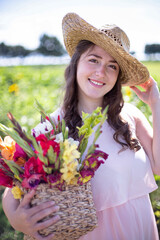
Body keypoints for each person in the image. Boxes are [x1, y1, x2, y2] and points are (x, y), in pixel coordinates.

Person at [2, 12, 160, 240]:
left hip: (139, 227)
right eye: (93, 60)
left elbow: (157, 166)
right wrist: (15, 219)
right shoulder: (53, 126)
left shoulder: (130, 116)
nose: (101, 72)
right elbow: (15, 185)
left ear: (118, 76)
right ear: (76, 63)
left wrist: (156, 104)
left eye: (112, 66)